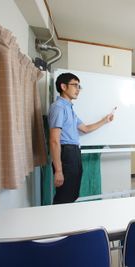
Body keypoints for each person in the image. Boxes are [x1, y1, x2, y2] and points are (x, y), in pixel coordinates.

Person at [48, 72, 114, 204]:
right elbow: (54, 141)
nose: (78, 89)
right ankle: (59, 223)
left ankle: (68, 223)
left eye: (79, 86)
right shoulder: (59, 108)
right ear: (63, 86)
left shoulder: (69, 108)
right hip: (66, 154)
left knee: (72, 193)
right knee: (65, 196)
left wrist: (104, 120)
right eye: (75, 85)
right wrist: (59, 171)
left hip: (74, 153)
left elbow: (85, 128)